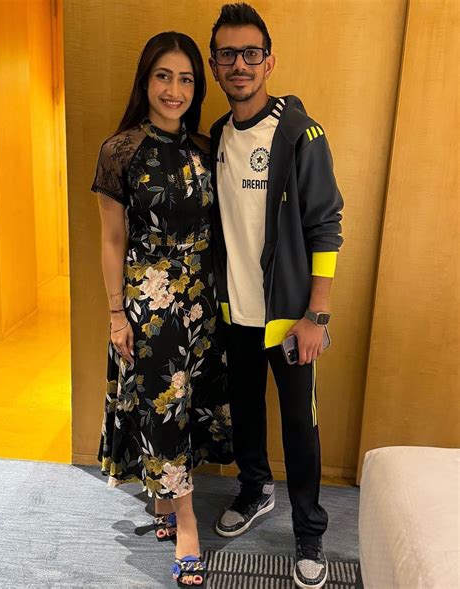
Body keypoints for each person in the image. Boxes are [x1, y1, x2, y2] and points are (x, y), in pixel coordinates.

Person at [208, 4, 344, 588]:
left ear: (269, 62)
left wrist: (317, 315)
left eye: (251, 53)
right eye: (228, 54)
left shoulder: (299, 134)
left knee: (298, 426)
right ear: (214, 65)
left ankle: (309, 531)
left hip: (290, 319)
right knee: (244, 412)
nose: (240, 64)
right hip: (234, 313)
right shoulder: (217, 136)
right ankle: (254, 488)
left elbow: (326, 226)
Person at [91, 32, 232, 587]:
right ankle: (187, 523)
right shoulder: (119, 150)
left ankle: (166, 501)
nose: (175, 90)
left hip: (202, 300)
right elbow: (111, 239)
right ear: (145, 81)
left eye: (186, 79)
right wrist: (116, 315)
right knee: (163, 408)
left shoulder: (205, 148)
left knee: (187, 408)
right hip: (150, 305)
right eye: (164, 76)